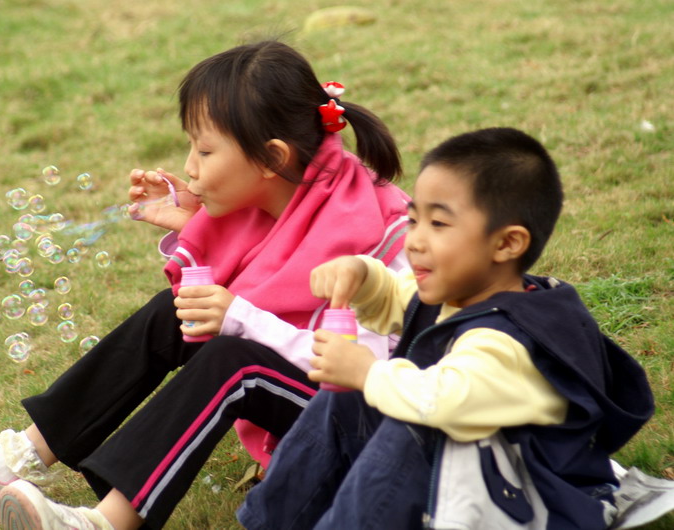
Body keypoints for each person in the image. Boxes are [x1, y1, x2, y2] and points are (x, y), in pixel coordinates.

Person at [0, 40, 410, 529]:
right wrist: (201, 222)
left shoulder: (370, 231)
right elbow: (275, 266)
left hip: (372, 424)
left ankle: (103, 522)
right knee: (175, 310)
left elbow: (361, 374)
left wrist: (240, 318)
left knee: (236, 361)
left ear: (272, 159)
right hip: (324, 398)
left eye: (205, 152)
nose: (190, 164)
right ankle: (9, 460)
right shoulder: (308, 189)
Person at [237, 127, 655, 529]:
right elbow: (398, 297)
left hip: (530, 506)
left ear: (507, 244)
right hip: (471, 487)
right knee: (348, 398)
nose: (415, 240)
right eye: (413, 220)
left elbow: (443, 400)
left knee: (414, 419)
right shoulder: (459, 298)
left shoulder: (510, 342)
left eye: (438, 225)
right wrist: (361, 274)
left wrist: (367, 371)